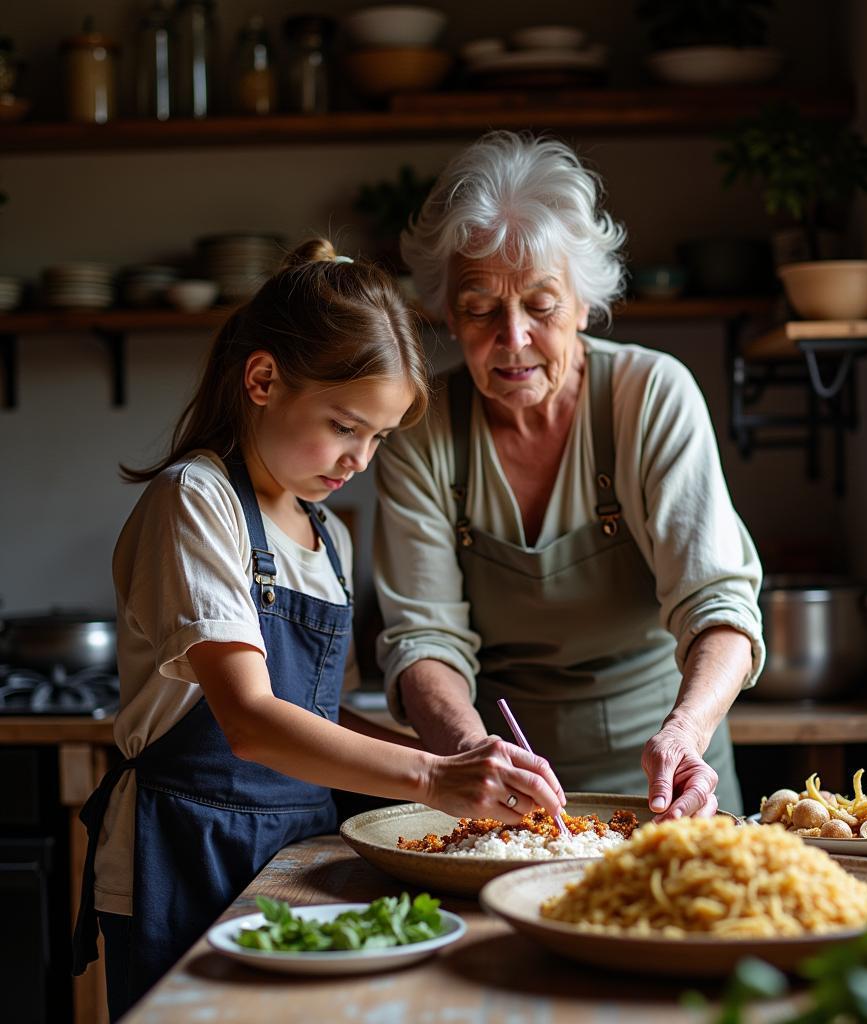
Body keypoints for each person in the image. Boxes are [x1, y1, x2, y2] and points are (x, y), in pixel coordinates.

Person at [71, 240, 566, 1020]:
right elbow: (252, 721)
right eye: (344, 426)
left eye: (378, 438)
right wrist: (436, 783)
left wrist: (458, 756)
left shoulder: (325, 535)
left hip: (301, 849)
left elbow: (318, 715)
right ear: (263, 380)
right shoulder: (194, 502)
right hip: (187, 849)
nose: (359, 460)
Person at [374, 133, 765, 823]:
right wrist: (474, 759)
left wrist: (685, 732)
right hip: (500, 784)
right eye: (480, 307)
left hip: (669, 771)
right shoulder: (421, 429)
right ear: (445, 314)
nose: (514, 337)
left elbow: (720, 605)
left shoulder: (649, 396)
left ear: (584, 303)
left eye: (542, 304)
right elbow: (423, 640)